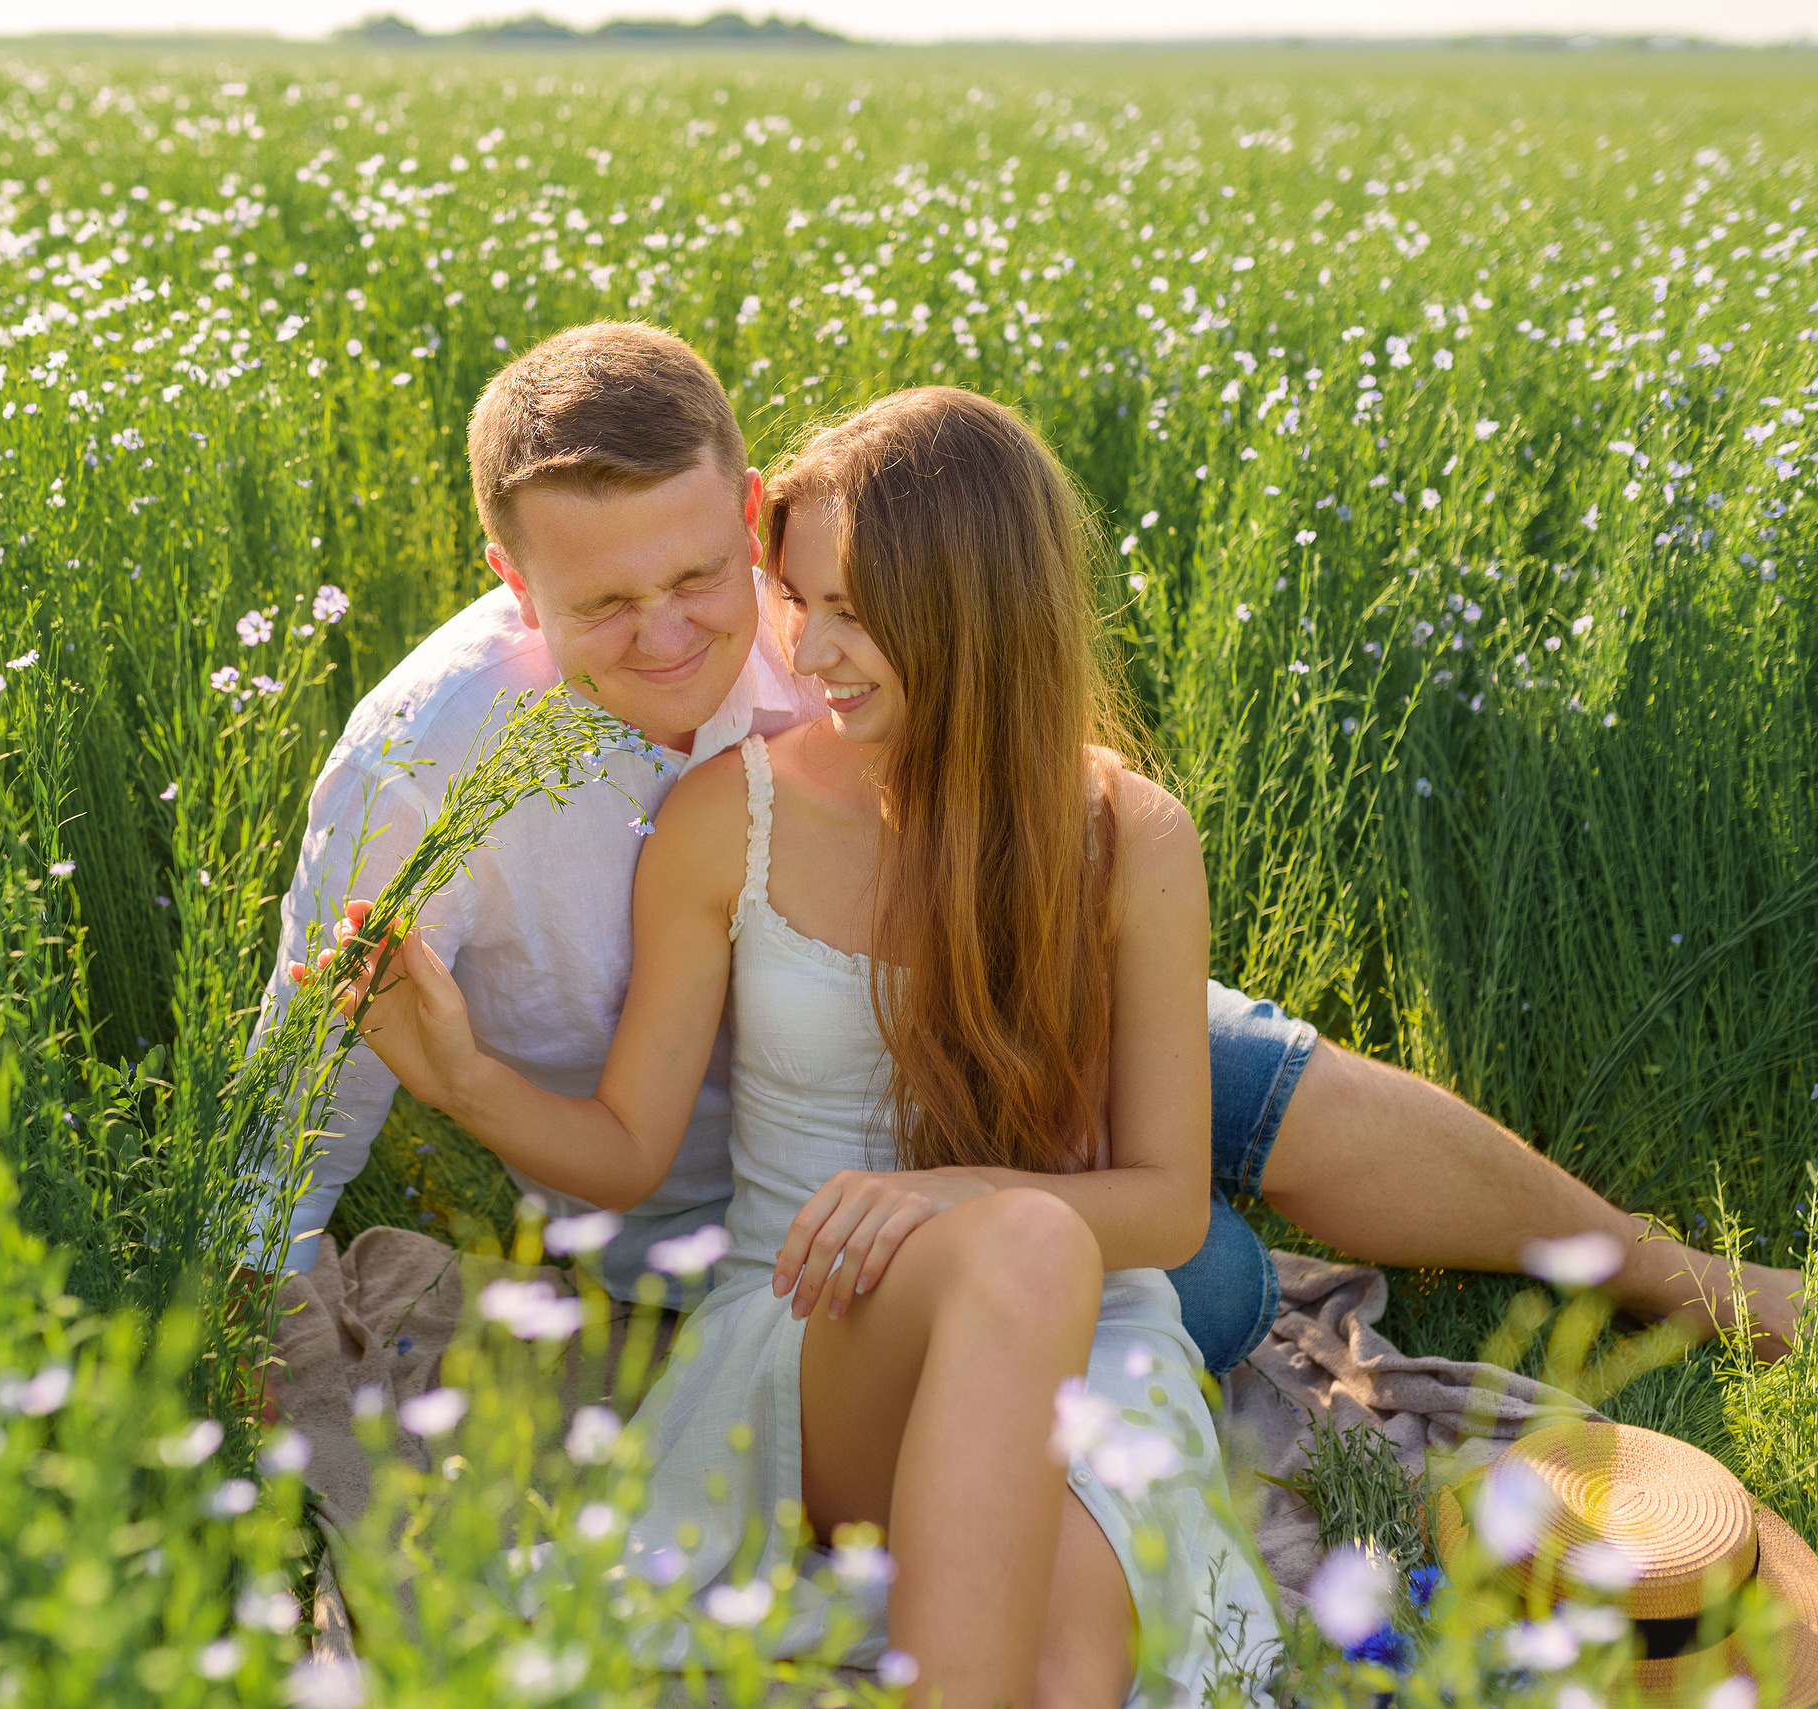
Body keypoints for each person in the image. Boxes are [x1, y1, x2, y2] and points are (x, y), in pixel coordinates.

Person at [248, 318, 1802, 1370]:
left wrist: (1102, 915)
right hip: (756, 1191)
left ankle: (1677, 1275)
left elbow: (1016, 771)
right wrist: (257, 1324)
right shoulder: (419, 766)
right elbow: (304, 1090)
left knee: (1239, 1065)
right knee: (1220, 1287)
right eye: (601, 605)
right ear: (513, 585)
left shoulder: (817, 610)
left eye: (704, 575)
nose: (672, 638)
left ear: (758, 513)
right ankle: (1190, 1232)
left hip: (970, 1014)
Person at [305, 386, 1280, 1705]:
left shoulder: (1130, 835)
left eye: (849, 615)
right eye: (799, 600)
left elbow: (1166, 1207)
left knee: (1074, 1672)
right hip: (819, 1336)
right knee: (1035, 1239)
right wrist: (464, 1079)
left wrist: (942, 1193)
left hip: (1097, 1335)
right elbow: (628, 1149)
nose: (802, 653)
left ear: (974, 617)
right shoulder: (731, 815)